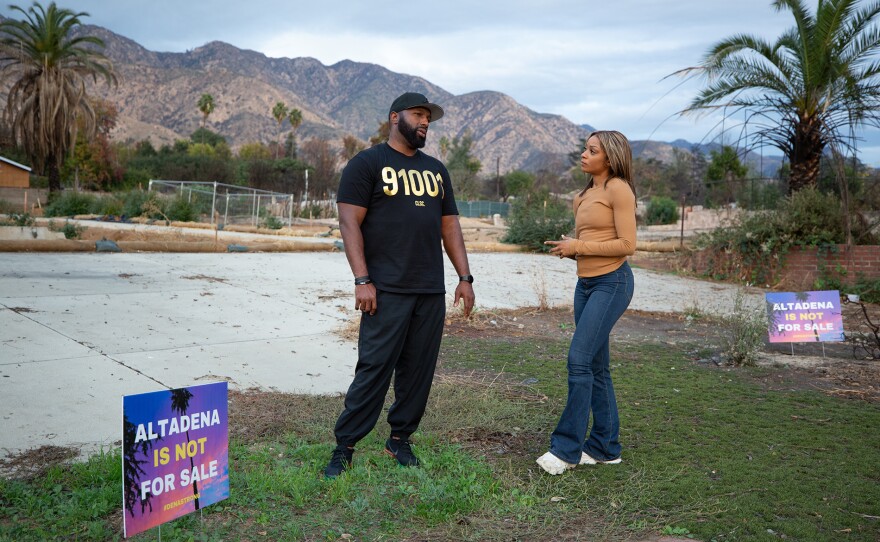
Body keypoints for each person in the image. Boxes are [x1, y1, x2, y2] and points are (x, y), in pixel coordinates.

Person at [324, 92, 476, 478]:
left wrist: (464, 277)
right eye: (418, 114)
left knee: (418, 371)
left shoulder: (436, 171)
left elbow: (450, 227)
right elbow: (349, 222)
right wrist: (362, 280)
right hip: (385, 288)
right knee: (374, 368)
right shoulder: (367, 163)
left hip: (429, 289)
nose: (425, 122)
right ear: (395, 117)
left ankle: (399, 440)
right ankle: (345, 446)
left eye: (428, 117)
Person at [536, 130, 636, 475]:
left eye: (592, 151)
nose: (583, 154)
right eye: (585, 148)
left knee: (578, 360)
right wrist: (572, 248)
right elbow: (592, 240)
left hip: (613, 282)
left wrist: (578, 247)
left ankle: (566, 449)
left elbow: (627, 244)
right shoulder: (583, 195)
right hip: (586, 285)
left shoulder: (618, 189)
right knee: (595, 366)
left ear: (609, 158)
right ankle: (606, 448)